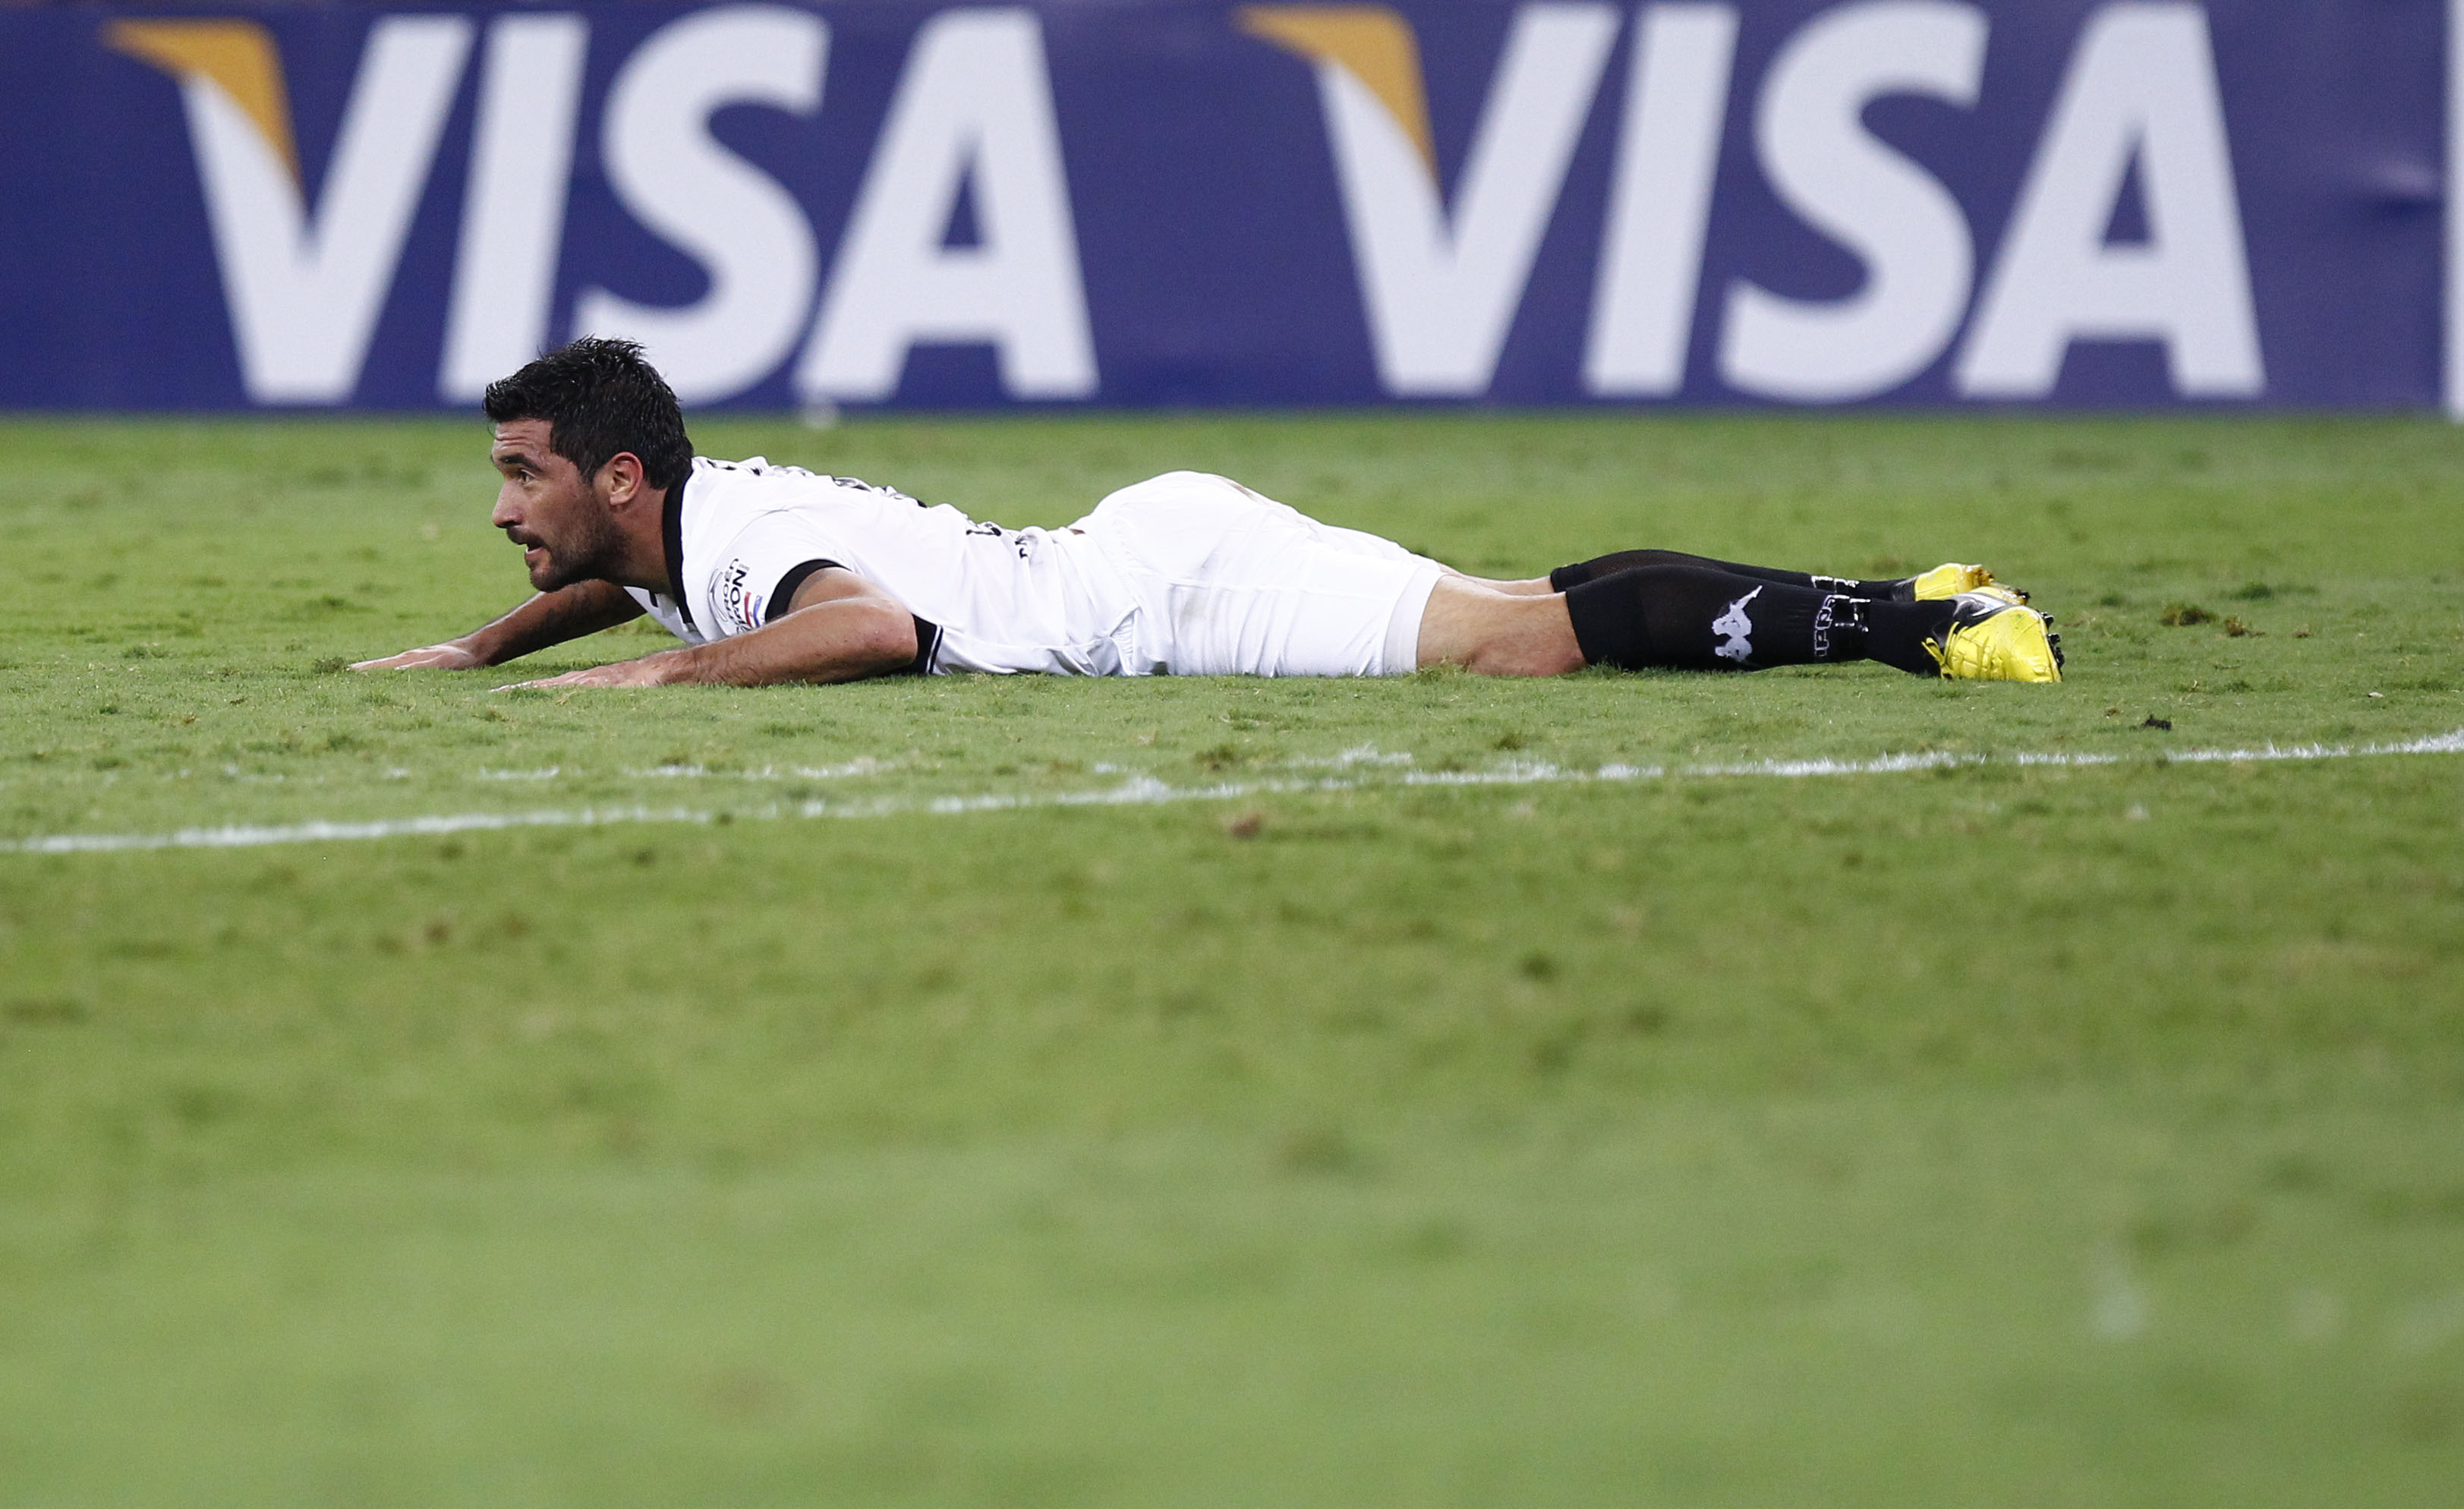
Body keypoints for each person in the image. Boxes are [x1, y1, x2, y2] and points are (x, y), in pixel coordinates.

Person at [354, 339, 2063, 689]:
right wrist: (481, 642)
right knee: (1512, 600)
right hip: (1142, 554)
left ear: (621, 479)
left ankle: (1927, 630)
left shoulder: (726, 549)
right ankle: (1909, 594)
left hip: (1168, 601)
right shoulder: (686, 536)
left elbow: (865, 628)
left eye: (524, 476)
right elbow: (630, 595)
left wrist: (663, 686)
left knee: (1513, 646)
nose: (506, 507)